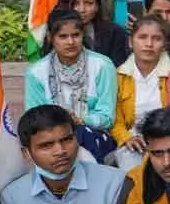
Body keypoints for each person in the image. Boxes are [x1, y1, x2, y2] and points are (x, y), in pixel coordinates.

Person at [25, 8, 118, 163]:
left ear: (83, 35)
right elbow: (33, 117)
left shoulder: (102, 65)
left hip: (94, 134)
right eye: (63, 36)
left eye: (75, 35)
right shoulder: (36, 72)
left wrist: (81, 120)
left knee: (80, 136)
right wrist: (61, 123)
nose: (70, 42)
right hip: (51, 137)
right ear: (50, 38)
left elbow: (107, 116)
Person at [111, 16, 170, 172]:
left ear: (165, 44)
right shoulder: (118, 76)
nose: (149, 44)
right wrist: (126, 138)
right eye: (142, 37)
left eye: (156, 38)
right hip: (133, 142)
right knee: (135, 176)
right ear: (131, 42)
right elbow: (115, 120)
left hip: (169, 141)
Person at [58, 0, 129, 67]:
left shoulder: (115, 33)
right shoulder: (56, 33)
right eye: (75, 4)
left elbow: (118, 69)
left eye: (88, 3)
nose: (82, 10)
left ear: (97, 6)